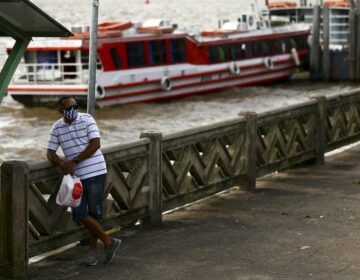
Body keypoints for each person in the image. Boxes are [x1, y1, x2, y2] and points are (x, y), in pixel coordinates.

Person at [47, 96, 120, 266]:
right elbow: (50, 152)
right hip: (76, 178)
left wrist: (75, 161)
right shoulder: (57, 127)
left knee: (94, 214)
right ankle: (109, 242)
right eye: (69, 108)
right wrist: (61, 162)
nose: (73, 110)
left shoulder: (87, 119)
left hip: (95, 173)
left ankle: (92, 255)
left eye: (76, 106)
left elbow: (96, 144)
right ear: (60, 111)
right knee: (79, 214)